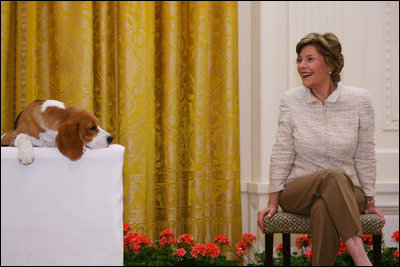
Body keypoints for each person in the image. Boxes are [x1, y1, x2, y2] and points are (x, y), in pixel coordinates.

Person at [257, 32, 385, 266]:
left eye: (309, 59)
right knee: (331, 176)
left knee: (325, 206)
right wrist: (273, 203)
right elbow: (282, 151)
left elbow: (365, 154)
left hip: (348, 193)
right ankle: (359, 254)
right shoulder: (291, 100)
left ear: (330, 64)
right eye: (299, 59)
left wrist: (370, 202)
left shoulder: (359, 100)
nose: (301, 66)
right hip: (299, 190)